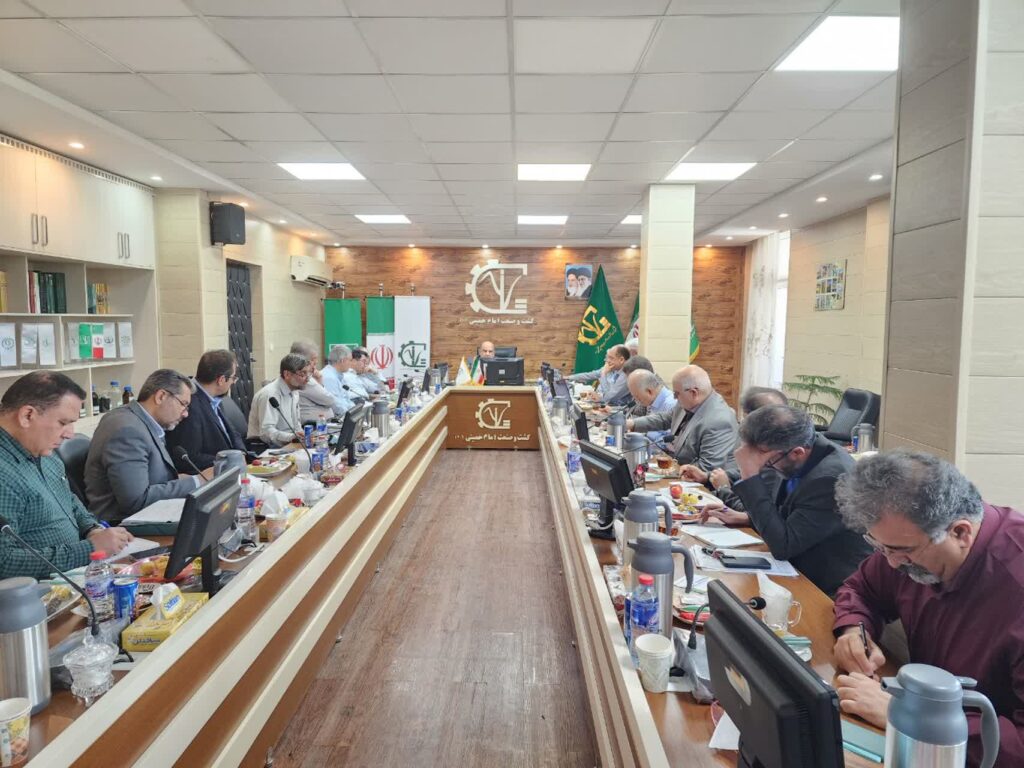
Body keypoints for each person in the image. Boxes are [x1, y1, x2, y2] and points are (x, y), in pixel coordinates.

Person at [832, 451, 1024, 766]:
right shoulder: (911, 540)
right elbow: (860, 589)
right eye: (880, 547)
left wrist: (910, 716)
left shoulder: (1014, 585)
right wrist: (854, 630)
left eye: (902, 551)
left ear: (960, 532)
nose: (892, 563)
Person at [722, 405, 871, 596]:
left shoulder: (830, 479)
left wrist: (750, 475)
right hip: (796, 567)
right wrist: (748, 518)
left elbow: (784, 546)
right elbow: (790, 515)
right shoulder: (792, 454)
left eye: (767, 461)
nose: (763, 466)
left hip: (829, 587)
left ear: (797, 452)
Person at [0, 372, 133, 579]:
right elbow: (4, 562)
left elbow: (68, 500)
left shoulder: (43, 451)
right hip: (39, 590)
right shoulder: (4, 473)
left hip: (76, 574)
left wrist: (92, 529)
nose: (70, 433)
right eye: (63, 423)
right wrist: (89, 549)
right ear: (27, 415)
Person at [85, 369, 203, 524]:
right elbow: (136, 501)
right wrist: (198, 481)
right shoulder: (127, 430)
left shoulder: (140, 422)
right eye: (183, 405)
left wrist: (182, 480)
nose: (186, 414)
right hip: (122, 526)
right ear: (161, 396)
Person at [683, 386, 788, 509]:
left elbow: (756, 513)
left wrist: (724, 489)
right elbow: (741, 473)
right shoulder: (766, 443)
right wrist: (707, 477)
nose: (743, 424)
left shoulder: (779, 456)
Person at [627, 364, 738, 471]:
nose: (674, 397)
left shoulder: (719, 421)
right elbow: (665, 418)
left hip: (700, 480)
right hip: (680, 469)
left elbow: (707, 467)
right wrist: (633, 423)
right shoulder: (689, 402)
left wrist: (674, 472)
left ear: (694, 393)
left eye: (676, 394)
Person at [165, 350, 247, 473]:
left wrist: (241, 453)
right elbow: (190, 457)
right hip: (212, 477)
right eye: (233, 377)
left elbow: (232, 432)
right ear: (221, 380)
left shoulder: (215, 397)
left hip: (233, 470)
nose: (233, 382)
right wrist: (230, 461)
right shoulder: (189, 405)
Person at [248, 354, 308, 447]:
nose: (307, 379)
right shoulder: (270, 395)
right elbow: (266, 432)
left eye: (308, 373)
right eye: (303, 374)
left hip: (288, 443)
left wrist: (303, 437)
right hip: (266, 446)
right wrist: (291, 437)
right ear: (287, 374)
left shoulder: (294, 391)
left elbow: (296, 425)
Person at [291, 340, 336, 424]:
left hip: (319, 424)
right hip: (312, 427)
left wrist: (319, 380)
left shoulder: (302, 376)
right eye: (313, 359)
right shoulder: (304, 379)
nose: (316, 362)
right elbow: (330, 401)